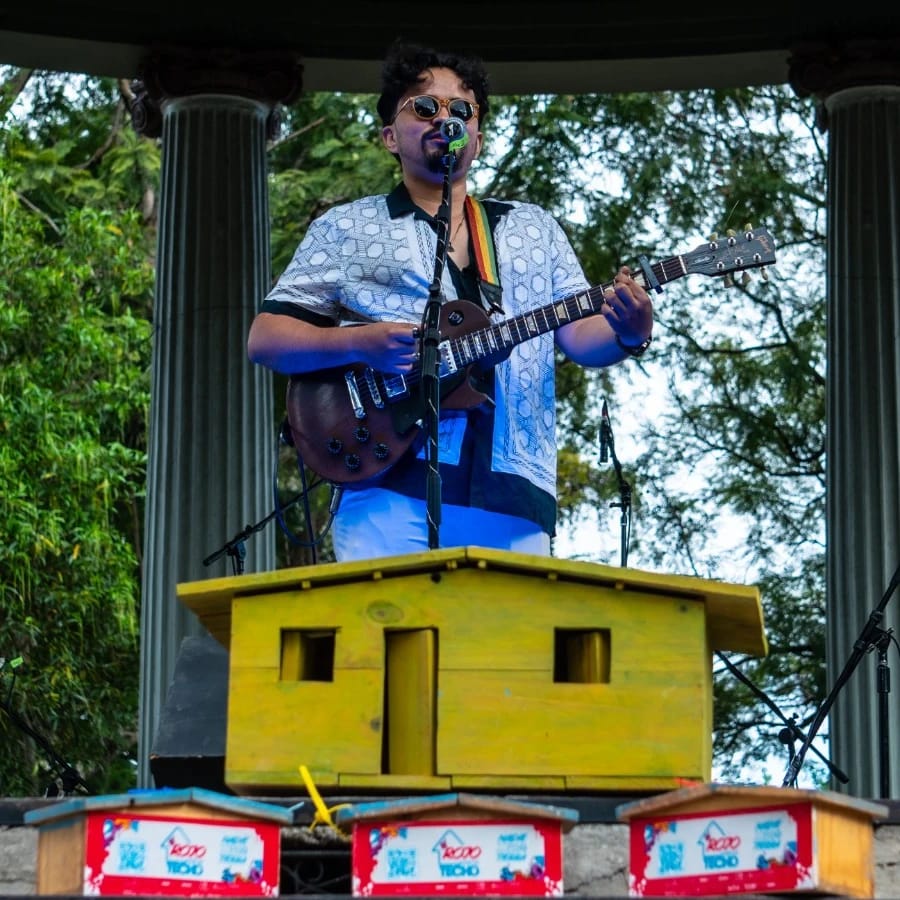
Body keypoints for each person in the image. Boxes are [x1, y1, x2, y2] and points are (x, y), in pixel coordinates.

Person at [247, 41, 654, 562]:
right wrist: (361, 343)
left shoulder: (534, 228)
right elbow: (267, 338)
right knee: (387, 620)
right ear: (390, 136)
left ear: (477, 138)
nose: (445, 118)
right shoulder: (347, 227)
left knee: (512, 622)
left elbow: (579, 336)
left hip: (513, 493)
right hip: (387, 484)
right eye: (424, 106)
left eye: (461, 109)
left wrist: (630, 332)